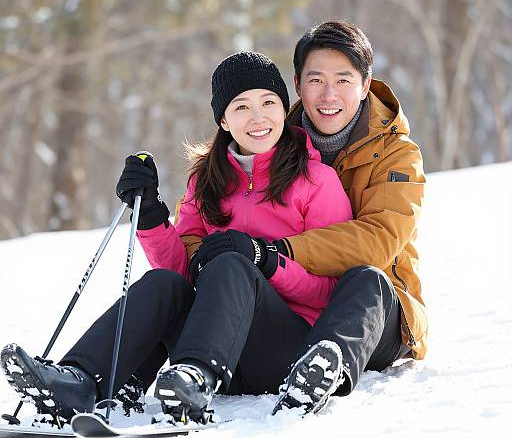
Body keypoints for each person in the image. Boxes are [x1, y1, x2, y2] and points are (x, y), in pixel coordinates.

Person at [0, 51, 353, 425]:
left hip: (283, 348)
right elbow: (183, 273)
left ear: (284, 109)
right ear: (223, 119)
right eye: (242, 106)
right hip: (218, 342)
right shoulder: (207, 181)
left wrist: (263, 261)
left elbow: (332, 290)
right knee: (163, 283)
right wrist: (150, 213)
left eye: (269, 102)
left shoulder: (316, 181)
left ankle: (194, 378)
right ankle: (79, 381)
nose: (258, 117)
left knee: (234, 264)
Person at [189, 21, 428, 414]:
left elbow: (380, 239)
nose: (328, 94)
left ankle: (322, 370)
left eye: (343, 79)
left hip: (377, 312)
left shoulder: (398, 154)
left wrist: (274, 251)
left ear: (366, 84)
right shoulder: (272, 132)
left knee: (367, 279)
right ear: (298, 85)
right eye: (316, 80)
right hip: (291, 306)